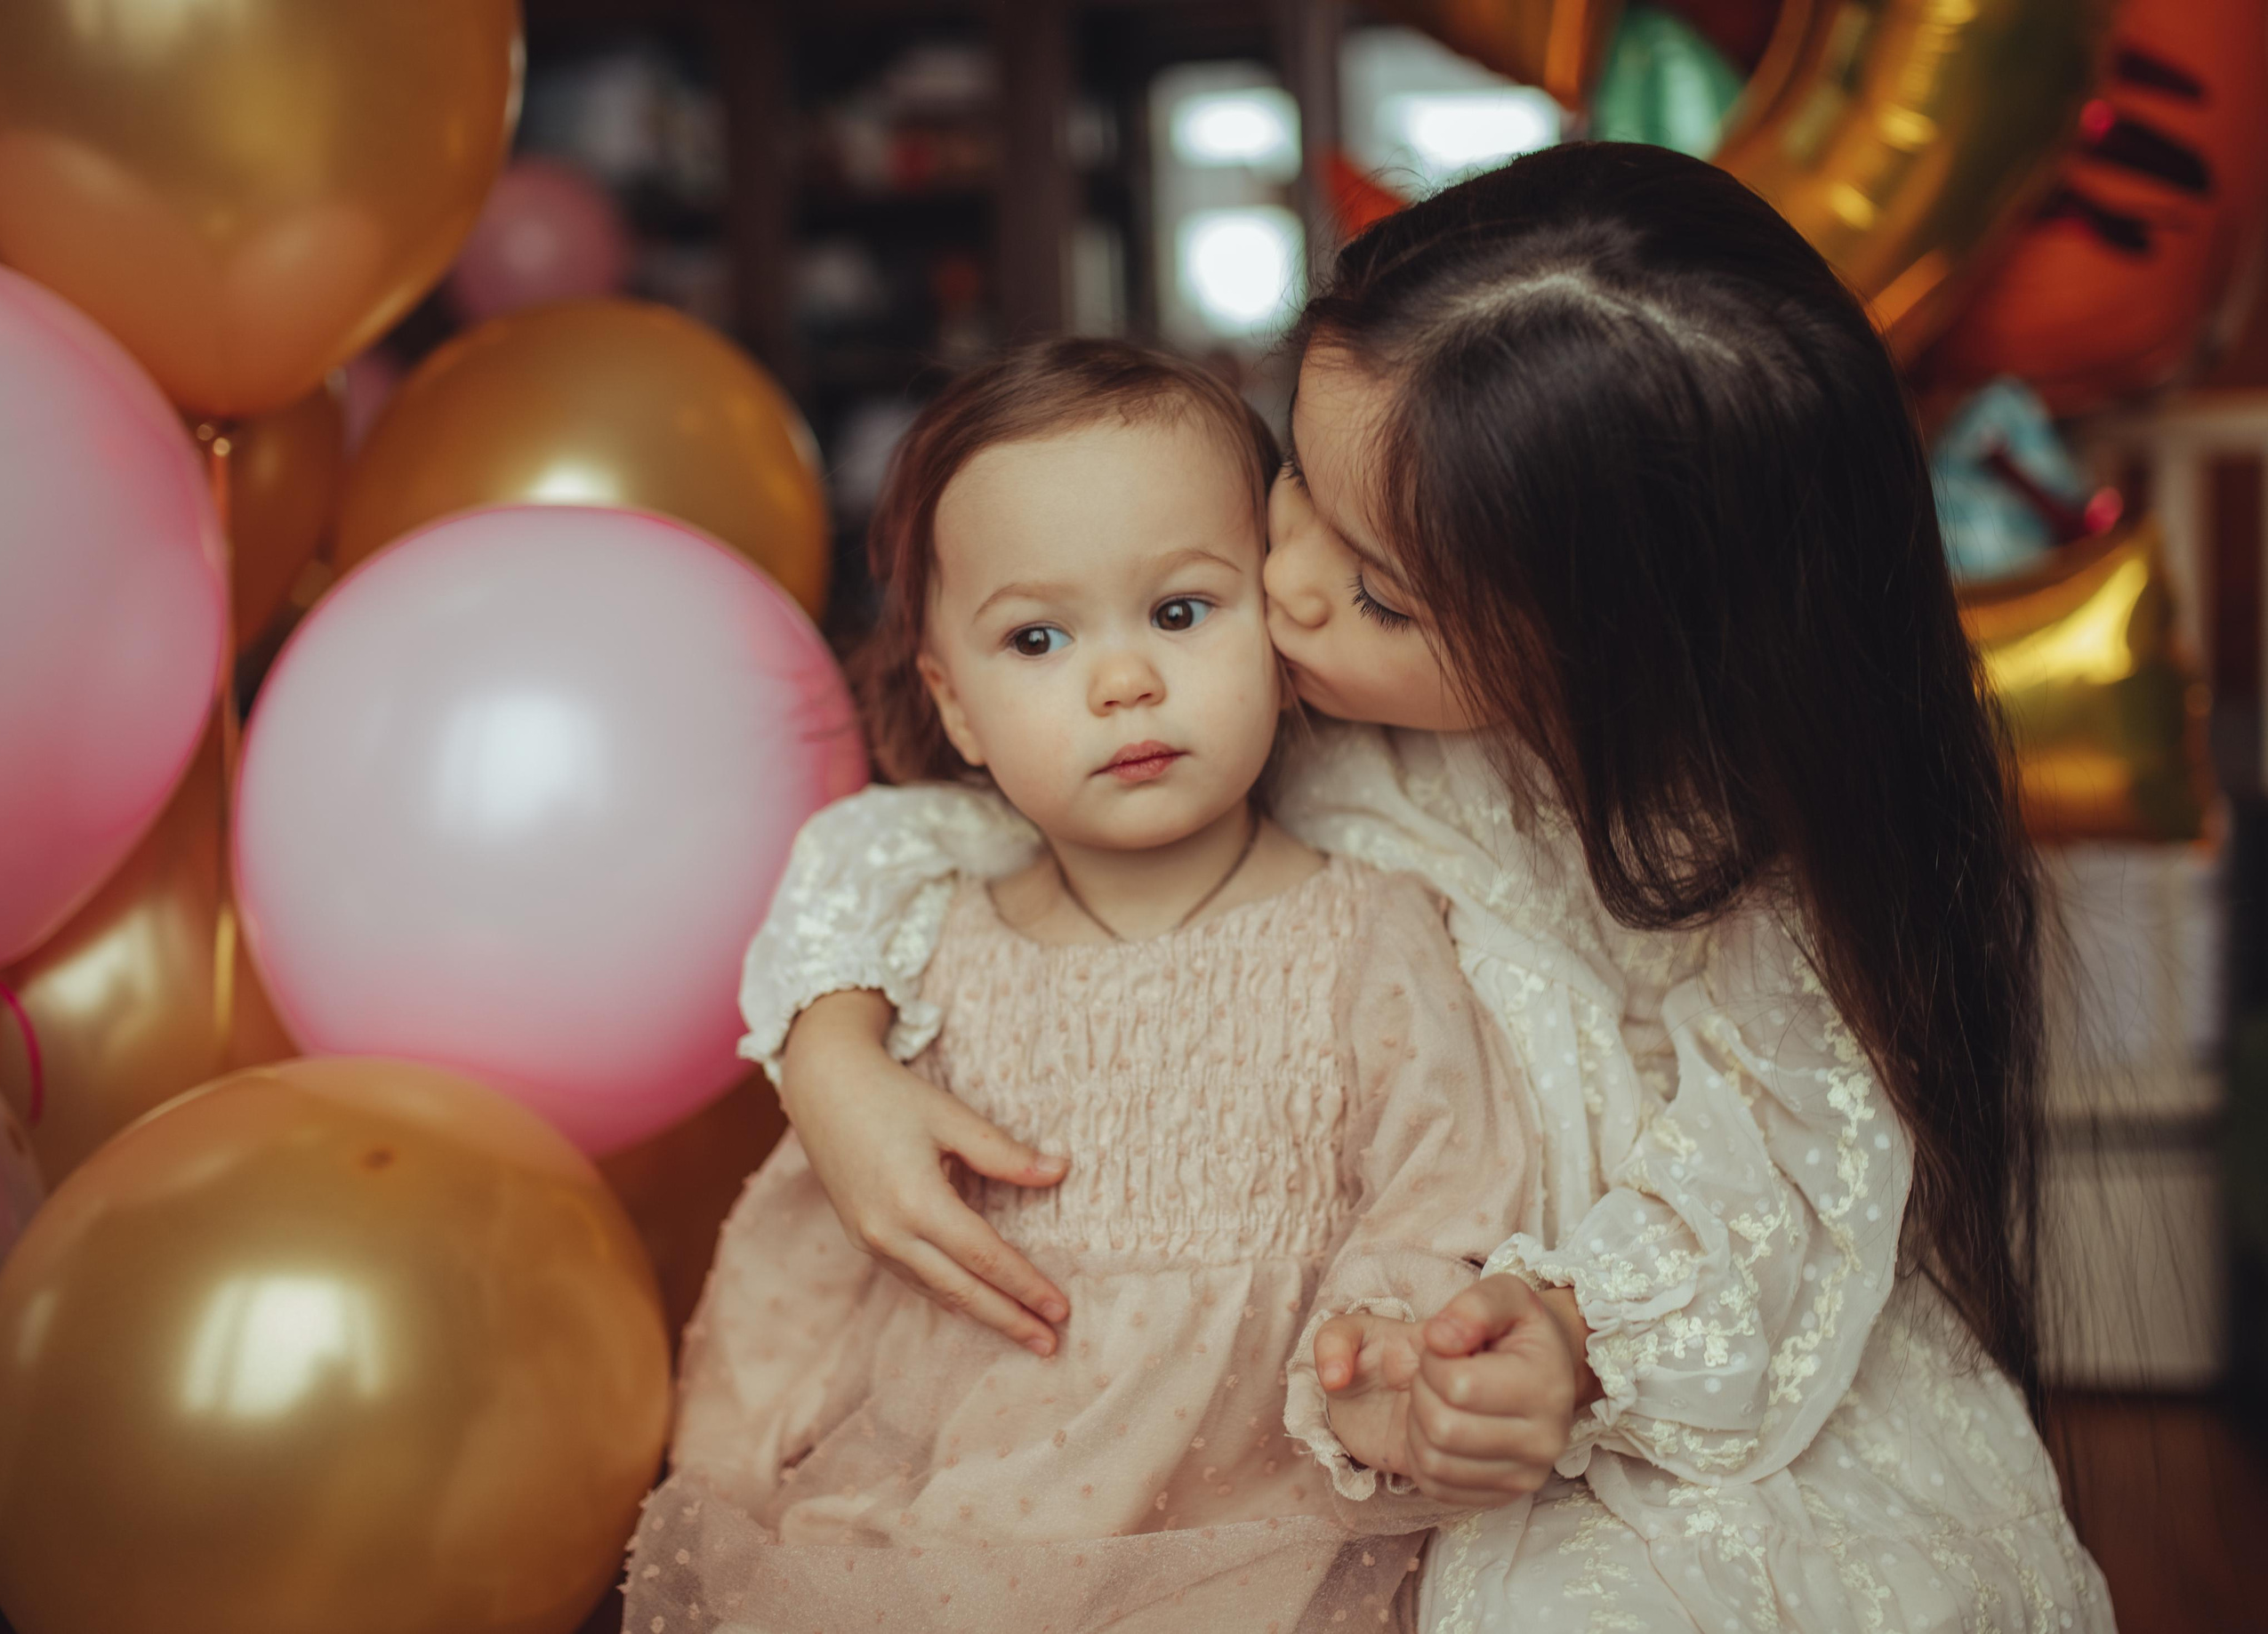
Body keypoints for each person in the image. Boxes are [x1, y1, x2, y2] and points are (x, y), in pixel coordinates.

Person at [739, 144, 2114, 1630]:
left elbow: (1785, 1165)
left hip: (1612, 1381)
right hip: (1304, 1376)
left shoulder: (1741, 857)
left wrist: (1571, 1332)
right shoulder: (1260, 696)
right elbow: (932, 838)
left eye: (1381, 592)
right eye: (1297, 481)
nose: (1288, 587)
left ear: (1619, 650)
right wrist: (832, 1047)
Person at [622, 339, 1534, 1634]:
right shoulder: (923, 955)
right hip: (947, 1537)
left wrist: (1396, 1343)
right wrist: (731, 1471)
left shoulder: (1370, 930)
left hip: (1248, 1542)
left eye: (1181, 612)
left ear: (1277, 627)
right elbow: (813, 1263)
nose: (1124, 682)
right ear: (958, 707)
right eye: (1038, 637)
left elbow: (1448, 1176)